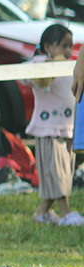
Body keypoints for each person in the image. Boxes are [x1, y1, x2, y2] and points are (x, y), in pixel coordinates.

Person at [26, 24, 83, 226]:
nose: (69, 52)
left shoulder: (70, 64)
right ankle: (66, 213)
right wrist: (53, 61)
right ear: (49, 46)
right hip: (48, 129)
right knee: (57, 172)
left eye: (71, 46)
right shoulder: (39, 64)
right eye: (64, 46)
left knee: (64, 173)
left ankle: (42, 212)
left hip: (66, 127)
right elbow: (42, 82)